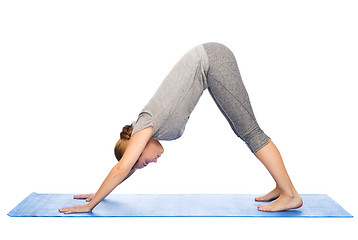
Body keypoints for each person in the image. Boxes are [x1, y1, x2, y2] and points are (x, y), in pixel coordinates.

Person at [59, 42, 303, 214]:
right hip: (209, 66)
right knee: (244, 132)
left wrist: (90, 206)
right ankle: (282, 187)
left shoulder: (145, 124)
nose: (151, 163)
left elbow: (123, 168)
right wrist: (100, 193)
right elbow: (128, 168)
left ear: (136, 146)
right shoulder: (147, 131)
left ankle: (291, 195)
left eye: (143, 162)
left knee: (250, 132)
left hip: (212, 59)